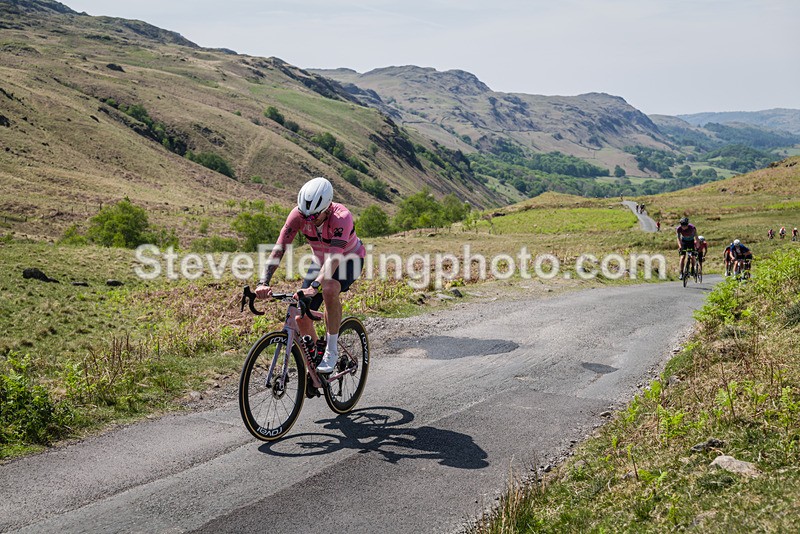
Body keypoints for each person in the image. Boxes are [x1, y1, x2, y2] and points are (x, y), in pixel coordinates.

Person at [255, 177, 366, 373]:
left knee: (330, 288)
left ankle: (331, 352)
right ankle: (316, 362)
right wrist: (263, 282)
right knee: (300, 315)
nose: (308, 221)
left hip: (349, 259)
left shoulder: (342, 217)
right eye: (304, 216)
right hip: (320, 262)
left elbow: (333, 260)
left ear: (328, 207)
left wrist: (314, 287)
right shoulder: (298, 215)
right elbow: (279, 249)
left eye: (314, 216)